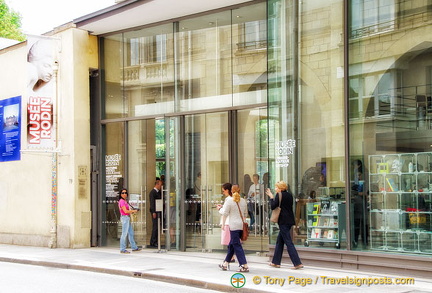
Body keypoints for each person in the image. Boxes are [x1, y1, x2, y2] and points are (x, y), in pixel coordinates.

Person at [266, 181, 303, 270]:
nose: (275, 189)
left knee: (288, 242)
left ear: (280, 188)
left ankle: (297, 263)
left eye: (276, 187)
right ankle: (276, 262)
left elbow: (273, 206)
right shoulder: (290, 195)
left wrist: (271, 197)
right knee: (280, 241)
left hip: (283, 221)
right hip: (289, 220)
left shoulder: (279, 195)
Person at [219, 184, 249, 272]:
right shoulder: (243, 201)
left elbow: (225, 214)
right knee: (232, 244)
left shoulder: (229, 201)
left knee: (236, 245)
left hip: (233, 226)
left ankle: (244, 265)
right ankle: (225, 264)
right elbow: (245, 214)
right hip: (241, 225)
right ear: (239, 190)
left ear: (231, 191)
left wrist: (223, 224)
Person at [118, 188, 141, 253]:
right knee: (124, 234)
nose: (124, 194)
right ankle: (122, 249)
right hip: (125, 218)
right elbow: (125, 211)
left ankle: (134, 247)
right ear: (120, 194)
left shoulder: (125, 201)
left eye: (125, 193)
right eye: (123, 193)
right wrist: (133, 211)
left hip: (127, 218)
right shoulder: (121, 201)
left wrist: (132, 211)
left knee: (131, 233)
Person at [216, 183, 235, 263]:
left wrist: (219, 208)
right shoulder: (234, 198)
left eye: (223, 191)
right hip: (232, 222)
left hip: (228, 222)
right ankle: (231, 257)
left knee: (229, 242)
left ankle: (231, 257)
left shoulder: (228, 199)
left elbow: (224, 212)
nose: (223, 193)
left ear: (227, 190)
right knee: (231, 242)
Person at [149, 179, 163, 247]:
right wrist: (153, 212)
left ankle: (156, 241)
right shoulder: (153, 192)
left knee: (157, 227)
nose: (161, 186)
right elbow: (152, 203)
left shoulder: (158, 192)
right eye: (160, 185)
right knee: (155, 227)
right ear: (157, 184)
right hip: (155, 211)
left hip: (158, 211)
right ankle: (153, 241)